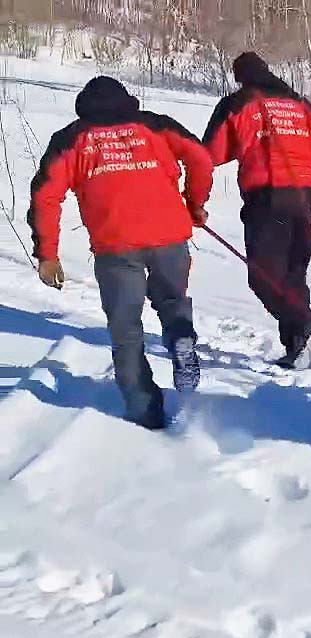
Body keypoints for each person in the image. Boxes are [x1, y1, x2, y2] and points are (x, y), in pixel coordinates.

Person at [29, 76, 212, 429]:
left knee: (126, 329)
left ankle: (146, 412)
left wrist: (47, 253)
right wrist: (195, 202)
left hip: (116, 245)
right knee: (173, 302)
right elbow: (201, 158)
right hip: (169, 234)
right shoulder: (154, 125)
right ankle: (181, 339)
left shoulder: (71, 139)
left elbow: (46, 196)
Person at [202, 52, 311, 368]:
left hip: (269, 193)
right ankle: (299, 348)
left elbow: (212, 153)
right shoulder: (301, 104)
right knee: (293, 274)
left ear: (240, 76)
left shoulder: (239, 102)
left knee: (263, 277)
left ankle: (305, 324)